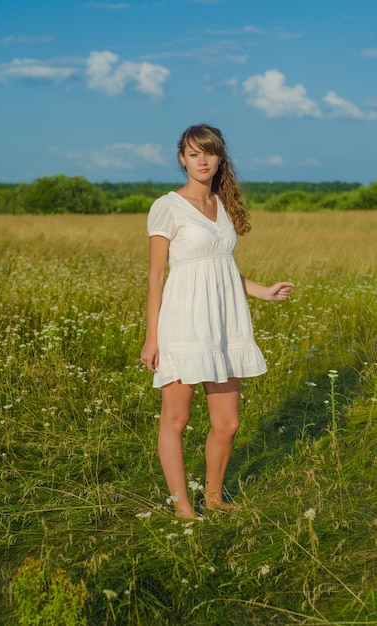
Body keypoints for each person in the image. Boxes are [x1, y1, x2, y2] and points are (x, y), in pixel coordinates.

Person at [140, 124, 293, 520]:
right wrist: (151, 338)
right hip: (183, 323)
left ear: (220, 158)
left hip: (225, 326)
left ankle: (214, 496)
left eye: (208, 153)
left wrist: (262, 290)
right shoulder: (167, 206)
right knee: (177, 418)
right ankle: (182, 507)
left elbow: (221, 268)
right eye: (194, 153)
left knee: (227, 423)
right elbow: (157, 276)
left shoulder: (222, 205)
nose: (202, 160)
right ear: (182, 159)